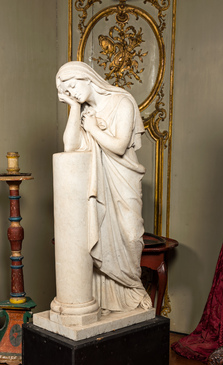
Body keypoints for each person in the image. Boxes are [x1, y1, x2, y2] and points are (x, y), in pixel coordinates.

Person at [56, 61, 151, 314]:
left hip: (124, 180)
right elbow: (70, 146)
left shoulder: (123, 102)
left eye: (74, 86)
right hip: (98, 184)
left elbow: (119, 147)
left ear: (87, 78)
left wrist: (93, 129)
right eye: (67, 92)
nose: (72, 92)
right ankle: (109, 302)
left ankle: (132, 292)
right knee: (99, 237)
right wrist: (75, 108)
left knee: (131, 236)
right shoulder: (84, 110)